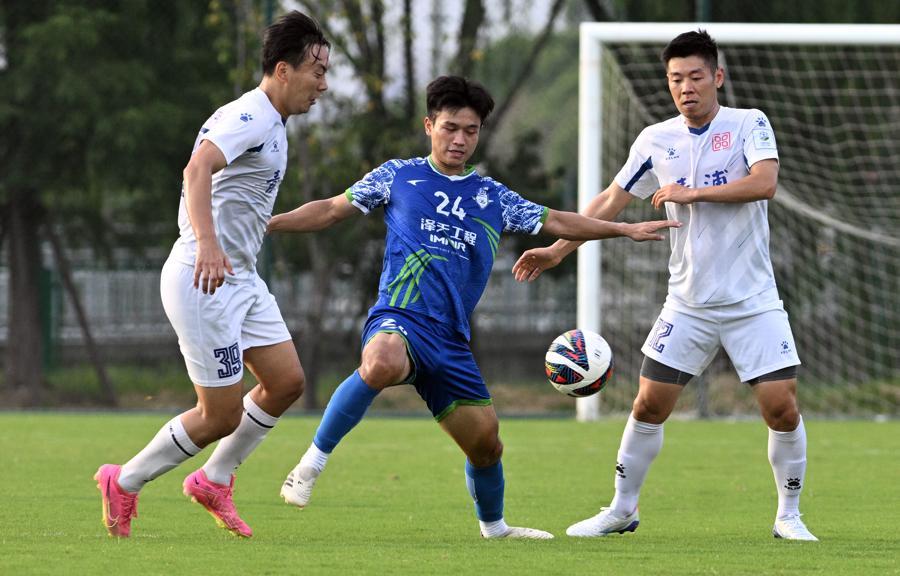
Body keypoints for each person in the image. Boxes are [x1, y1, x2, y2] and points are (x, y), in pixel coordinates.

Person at [268, 75, 678, 539]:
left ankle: (496, 528)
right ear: (429, 126)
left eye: (471, 130)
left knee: (486, 446)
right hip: (400, 316)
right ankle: (310, 465)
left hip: (450, 341)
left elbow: (559, 220)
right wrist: (270, 223)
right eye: (450, 128)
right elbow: (329, 209)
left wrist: (623, 230)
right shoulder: (397, 176)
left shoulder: (493, 197)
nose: (460, 139)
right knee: (381, 361)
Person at [512, 30, 817, 541]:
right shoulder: (655, 139)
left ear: (717, 77)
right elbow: (610, 201)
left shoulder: (749, 123)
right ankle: (620, 510)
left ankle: (789, 516)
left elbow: (765, 183)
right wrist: (558, 250)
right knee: (648, 405)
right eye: (676, 79)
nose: (685, 87)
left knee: (781, 407)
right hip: (687, 304)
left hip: (752, 301)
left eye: (696, 76)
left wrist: (692, 193)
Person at [93, 11, 330, 539]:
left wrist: (261, 228)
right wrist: (207, 243)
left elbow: (238, 197)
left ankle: (214, 479)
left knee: (286, 382)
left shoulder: (273, 122)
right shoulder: (251, 115)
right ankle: (123, 480)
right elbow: (197, 168)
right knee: (219, 415)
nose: (323, 84)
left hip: (240, 278)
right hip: (205, 280)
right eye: (317, 72)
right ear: (284, 70)